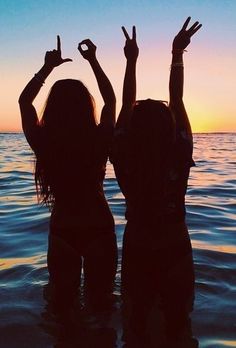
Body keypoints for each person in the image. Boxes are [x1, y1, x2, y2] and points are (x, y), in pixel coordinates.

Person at [111, 18, 202, 348]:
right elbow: (176, 101)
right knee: (180, 328)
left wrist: (131, 60)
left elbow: (124, 104)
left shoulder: (123, 156)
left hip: (138, 250)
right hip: (175, 248)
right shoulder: (179, 152)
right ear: (169, 128)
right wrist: (176, 53)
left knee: (135, 330)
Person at [19, 36, 117, 316]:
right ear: (86, 107)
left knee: (62, 309)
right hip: (99, 225)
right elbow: (110, 100)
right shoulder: (98, 140)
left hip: (64, 229)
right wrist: (93, 61)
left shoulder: (45, 142)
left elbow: (24, 101)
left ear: (53, 108)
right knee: (103, 307)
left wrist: (47, 67)